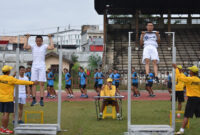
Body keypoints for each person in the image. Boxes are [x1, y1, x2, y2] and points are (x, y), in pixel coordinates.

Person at [0, 65, 34, 134]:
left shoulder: (0, 78)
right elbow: (21, 82)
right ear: (8, 71)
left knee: (4, 114)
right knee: (6, 114)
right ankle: (4, 129)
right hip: (8, 99)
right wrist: (32, 82)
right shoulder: (10, 79)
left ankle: (2, 128)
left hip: (1, 99)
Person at [24, 34, 54, 106]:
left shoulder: (44, 46)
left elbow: (52, 47)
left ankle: (41, 99)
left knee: (42, 84)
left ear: (42, 41)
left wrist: (50, 38)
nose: (38, 42)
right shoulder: (33, 46)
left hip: (42, 66)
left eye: (40, 41)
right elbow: (25, 47)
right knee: (34, 83)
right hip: (34, 66)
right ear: (35, 41)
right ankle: (34, 99)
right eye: (37, 41)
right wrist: (27, 38)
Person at [175, 65, 200, 135]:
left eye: (190, 70)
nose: (189, 71)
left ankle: (181, 131)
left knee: (187, 115)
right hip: (198, 99)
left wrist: (176, 69)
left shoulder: (189, 79)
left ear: (192, 72)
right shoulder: (199, 80)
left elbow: (180, 78)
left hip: (191, 99)